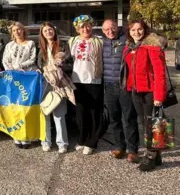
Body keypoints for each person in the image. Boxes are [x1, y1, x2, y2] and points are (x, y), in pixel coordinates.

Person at [121, 19, 167, 172]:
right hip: (136, 91)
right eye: (133, 30)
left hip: (150, 92)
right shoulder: (130, 46)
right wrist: (128, 87)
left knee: (152, 125)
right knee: (145, 123)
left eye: (139, 29)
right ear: (129, 32)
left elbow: (160, 73)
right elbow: (129, 71)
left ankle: (151, 156)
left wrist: (159, 96)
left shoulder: (152, 46)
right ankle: (157, 155)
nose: (136, 32)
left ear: (144, 30)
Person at [102, 19, 139, 162]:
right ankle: (119, 146)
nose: (110, 32)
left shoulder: (127, 40)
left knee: (129, 118)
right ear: (103, 31)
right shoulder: (102, 42)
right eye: (106, 30)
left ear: (117, 27)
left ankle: (133, 149)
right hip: (108, 86)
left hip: (125, 86)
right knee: (114, 119)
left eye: (112, 28)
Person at [68, 15, 104, 155]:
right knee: (81, 112)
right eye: (82, 26)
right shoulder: (73, 41)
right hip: (77, 80)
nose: (85, 29)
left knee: (94, 112)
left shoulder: (99, 41)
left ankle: (92, 142)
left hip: (94, 80)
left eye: (88, 25)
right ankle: (82, 139)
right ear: (77, 29)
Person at [37, 22, 72, 154]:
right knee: (45, 112)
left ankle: (62, 143)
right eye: (45, 31)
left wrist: (61, 67)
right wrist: (39, 71)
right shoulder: (40, 47)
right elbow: (37, 65)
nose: (48, 32)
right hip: (44, 83)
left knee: (59, 114)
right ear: (42, 34)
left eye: (50, 30)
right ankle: (45, 142)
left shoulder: (63, 45)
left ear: (54, 31)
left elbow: (70, 64)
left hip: (59, 83)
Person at [2, 22, 37, 149]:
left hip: (27, 79)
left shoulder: (30, 44)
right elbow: (5, 61)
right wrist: (12, 70)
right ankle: (17, 135)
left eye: (19, 29)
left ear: (23, 31)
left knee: (25, 107)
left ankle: (26, 136)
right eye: (15, 30)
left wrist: (20, 67)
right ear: (12, 32)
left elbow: (32, 59)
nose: (17, 32)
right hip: (13, 79)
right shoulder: (9, 45)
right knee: (14, 107)